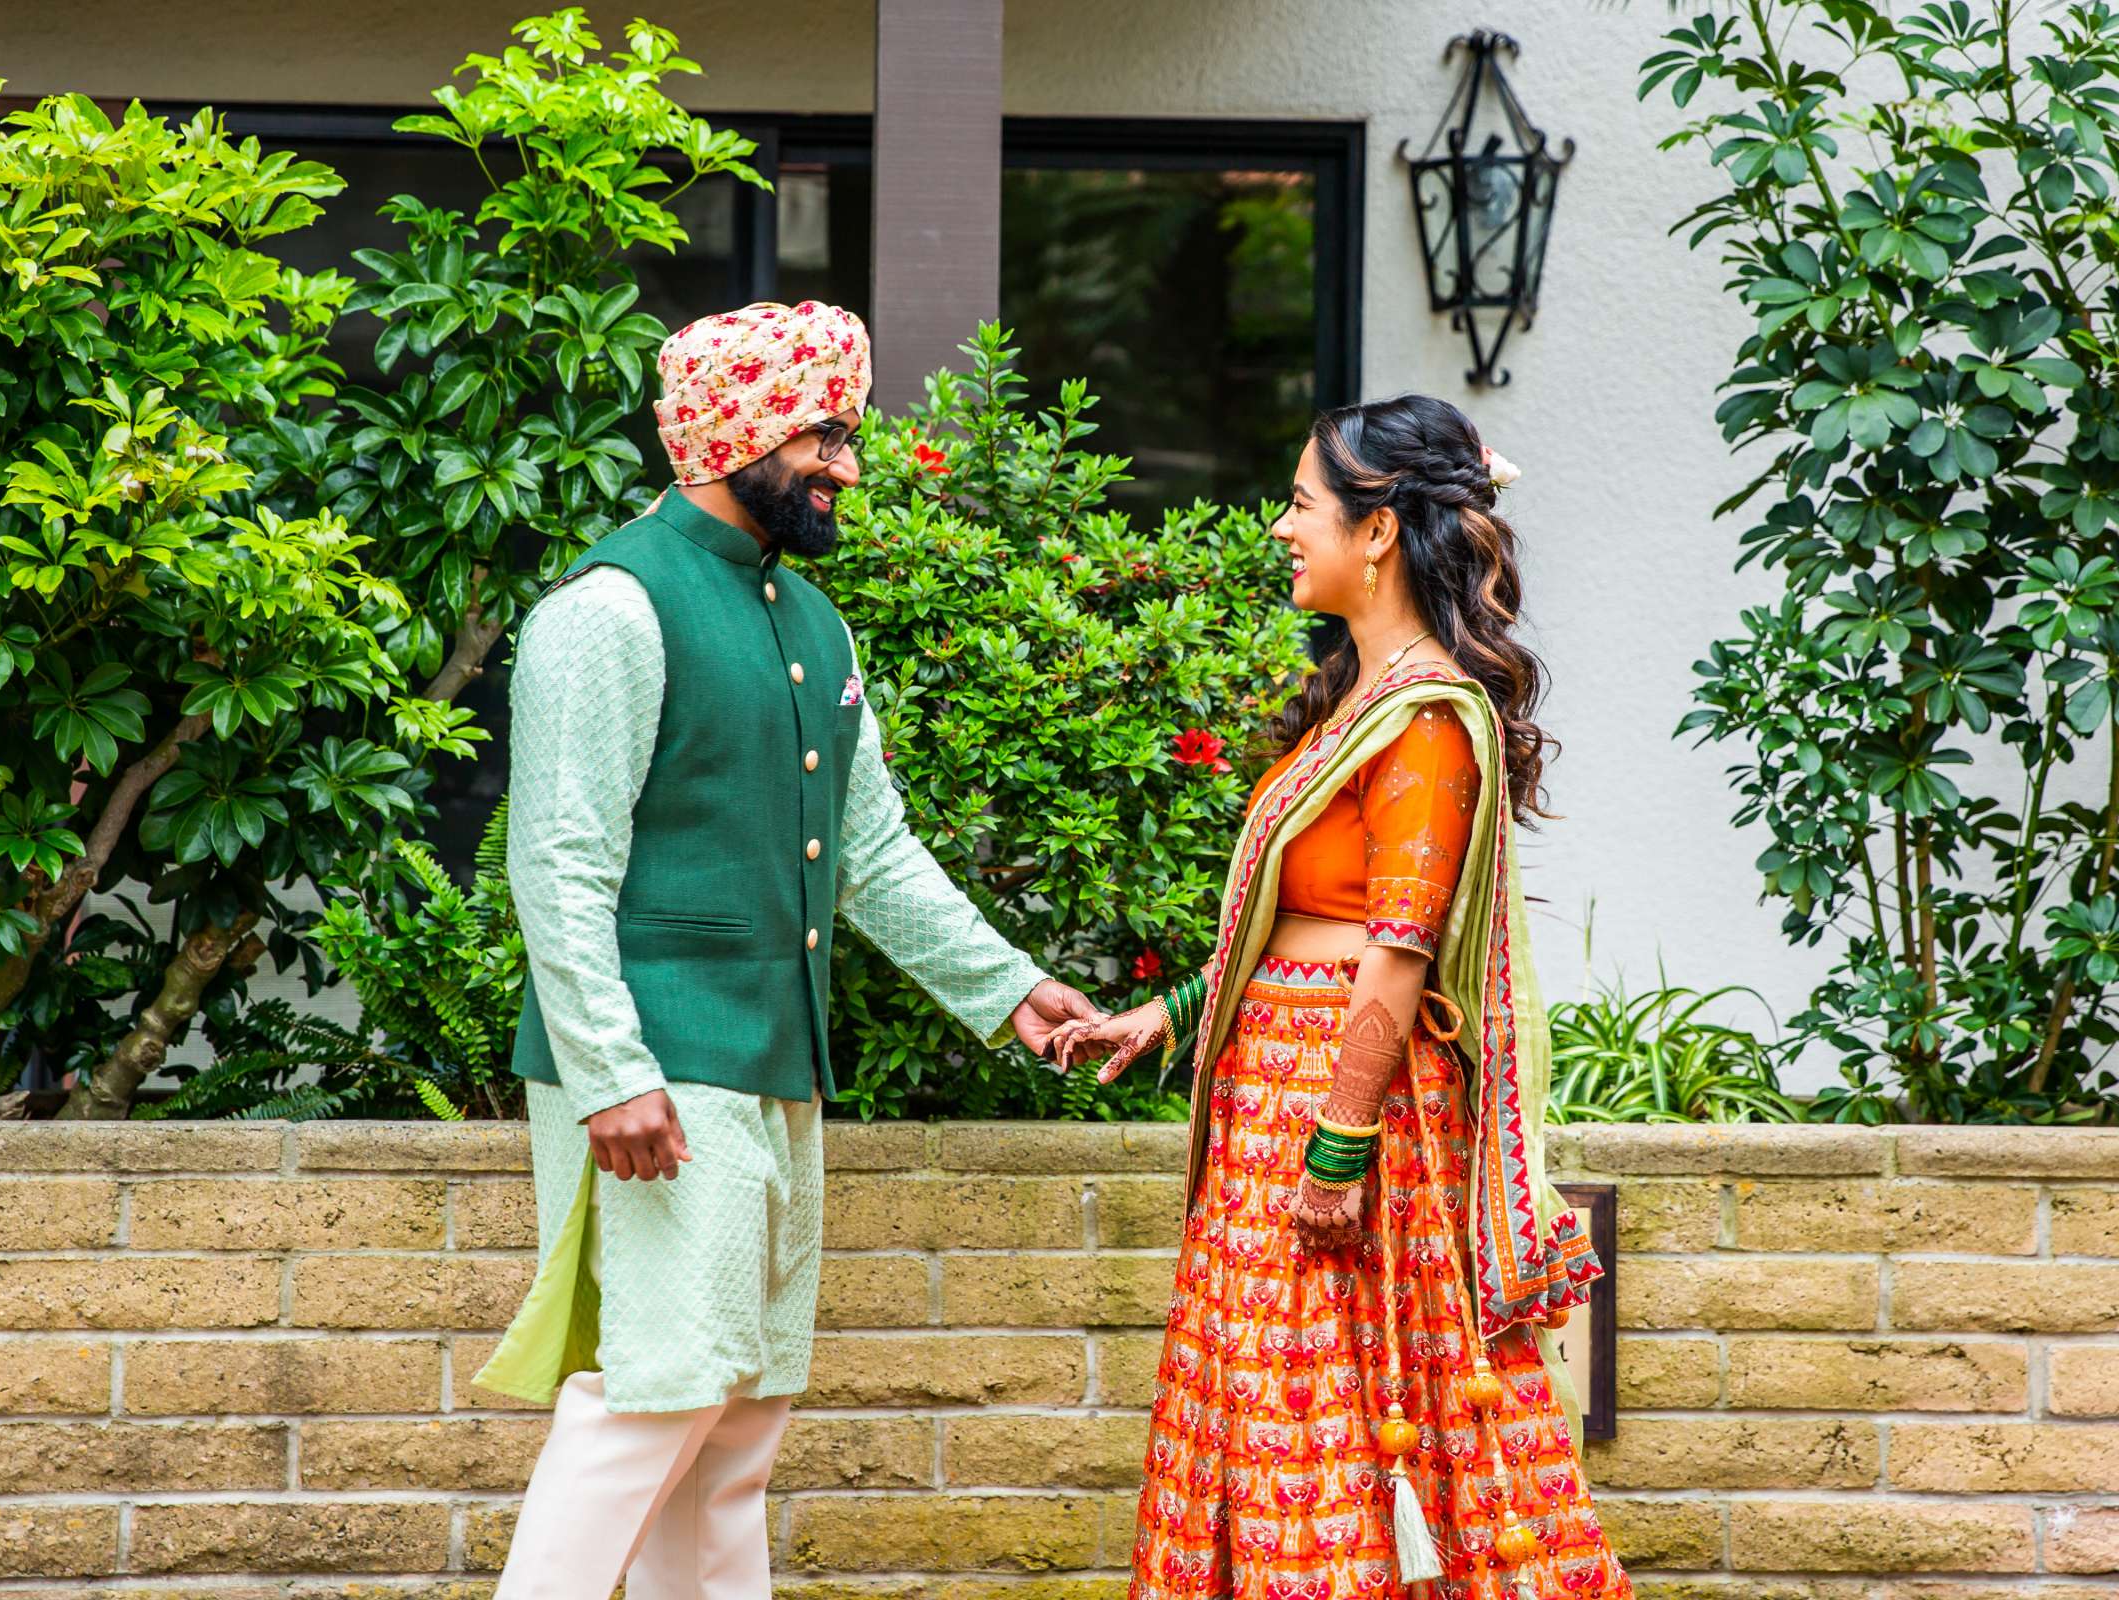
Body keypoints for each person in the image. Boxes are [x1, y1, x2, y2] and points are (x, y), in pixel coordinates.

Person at [475, 299, 1101, 1600]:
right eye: (824, 434)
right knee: (652, 1397)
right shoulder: (605, 609)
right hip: (656, 1069)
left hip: (772, 1068)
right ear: (734, 431)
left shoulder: (815, 624)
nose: (847, 465)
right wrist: (608, 1071)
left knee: (741, 1420)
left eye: (847, 434)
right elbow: (559, 865)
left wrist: (1014, 995)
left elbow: (872, 856)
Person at [1052, 396, 1632, 1600]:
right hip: (1274, 1094)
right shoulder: (1356, 704)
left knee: (1338, 1398)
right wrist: (1174, 1013)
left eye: (1302, 504)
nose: (1281, 528)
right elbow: (1297, 917)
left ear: (1377, 532)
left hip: (1342, 1112)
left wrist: (1337, 1146)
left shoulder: (1425, 721)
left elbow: (1397, 949)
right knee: (1271, 1391)